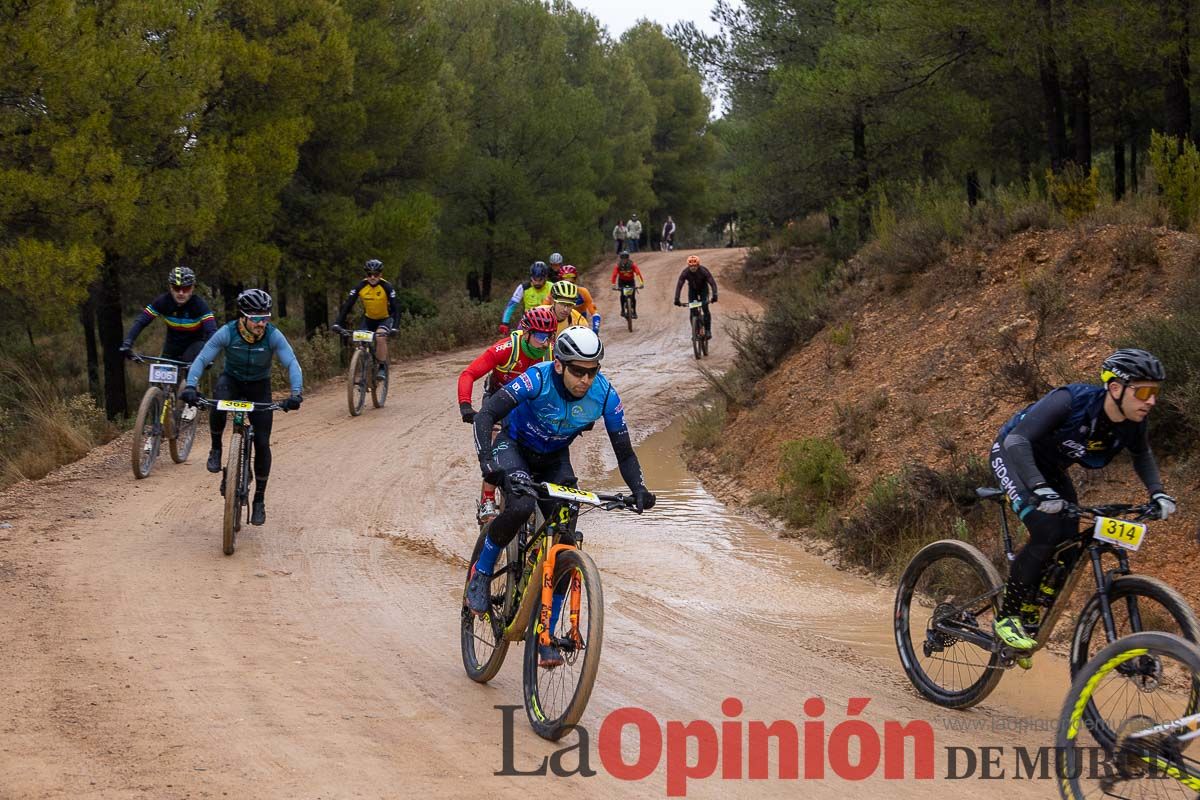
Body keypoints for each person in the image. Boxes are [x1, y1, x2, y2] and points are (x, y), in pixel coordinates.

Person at [465, 327, 656, 666]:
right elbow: (488, 414)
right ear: (559, 365)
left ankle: (547, 632)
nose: (585, 379)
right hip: (515, 447)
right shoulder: (536, 378)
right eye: (578, 371)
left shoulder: (604, 394)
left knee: (566, 536)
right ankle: (481, 573)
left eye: (592, 371)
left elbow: (624, 452)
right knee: (522, 505)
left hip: (554, 459)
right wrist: (487, 463)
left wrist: (638, 488)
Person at [989, 348, 1175, 661]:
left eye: (1155, 393)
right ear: (1115, 388)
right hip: (1013, 454)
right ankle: (1008, 616)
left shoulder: (1132, 422)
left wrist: (1157, 493)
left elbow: (1142, 455)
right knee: (1047, 531)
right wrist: (1039, 490)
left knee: (1071, 535)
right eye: (1143, 391)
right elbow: (1017, 441)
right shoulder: (1070, 401)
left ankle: (1034, 601)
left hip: (1050, 469)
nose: (1151, 401)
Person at [181, 289, 303, 527]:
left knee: (263, 442)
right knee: (217, 401)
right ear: (244, 317)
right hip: (232, 381)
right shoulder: (227, 332)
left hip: (260, 387)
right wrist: (190, 386)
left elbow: (291, 362)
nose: (262, 323)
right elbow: (203, 359)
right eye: (256, 318)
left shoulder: (272, 335)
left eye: (266, 317)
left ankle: (259, 499)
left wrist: (296, 393)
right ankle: (216, 449)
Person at [458, 307, 557, 524]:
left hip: (529, 405)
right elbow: (469, 373)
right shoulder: (507, 348)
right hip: (498, 400)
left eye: (550, 336)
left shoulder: (551, 353)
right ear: (527, 333)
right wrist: (466, 405)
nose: (545, 342)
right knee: (496, 442)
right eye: (541, 336)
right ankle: (487, 500)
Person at [119, 265, 217, 367]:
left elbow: (212, 331)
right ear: (171, 287)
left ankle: (187, 382)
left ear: (192, 288)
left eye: (186, 289)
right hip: (172, 347)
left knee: (188, 374)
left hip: (194, 346)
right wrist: (128, 343)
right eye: (176, 288)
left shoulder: (200, 305)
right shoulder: (163, 302)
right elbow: (141, 321)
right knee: (159, 377)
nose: (181, 293)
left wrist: (210, 355)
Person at [332, 258, 397, 382]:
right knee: (361, 341)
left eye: (376, 274)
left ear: (380, 275)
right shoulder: (360, 286)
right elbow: (347, 305)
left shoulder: (386, 287)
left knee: (380, 338)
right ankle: (364, 370)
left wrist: (395, 327)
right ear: (366, 275)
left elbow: (396, 308)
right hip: (368, 319)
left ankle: (382, 367)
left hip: (385, 319)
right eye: (369, 274)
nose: (372, 277)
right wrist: (337, 323)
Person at [499, 261, 553, 334]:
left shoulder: (552, 287)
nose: (537, 283)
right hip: (528, 320)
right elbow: (511, 306)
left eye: (540, 280)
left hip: (547, 321)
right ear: (531, 277)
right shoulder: (523, 287)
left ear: (545, 278)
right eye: (534, 279)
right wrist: (504, 322)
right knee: (518, 338)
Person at [673, 255, 718, 339]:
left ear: (698, 265)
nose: (693, 268)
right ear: (688, 266)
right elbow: (679, 285)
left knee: (705, 308)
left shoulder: (704, 271)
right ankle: (695, 332)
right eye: (691, 266)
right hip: (692, 290)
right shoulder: (685, 272)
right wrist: (677, 299)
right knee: (693, 311)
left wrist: (715, 295)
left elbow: (712, 283)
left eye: (695, 266)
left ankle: (708, 331)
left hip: (703, 290)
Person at [555, 265, 600, 332]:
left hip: (580, 325)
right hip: (560, 325)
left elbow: (595, 313)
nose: (569, 286)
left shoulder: (583, 292)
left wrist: (595, 330)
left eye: (571, 283)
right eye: (566, 283)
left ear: (575, 280)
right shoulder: (555, 292)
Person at [610, 250, 645, 319]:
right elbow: (614, 275)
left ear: (628, 258)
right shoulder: (618, 265)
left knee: (633, 296)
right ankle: (622, 310)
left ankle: (634, 312)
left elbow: (638, 273)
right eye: (623, 259)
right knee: (622, 295)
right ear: (621, 259)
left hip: (631, 281)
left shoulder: (632, 265)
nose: (624, 260)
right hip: (622, 281)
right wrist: (613, 284)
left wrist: (641, 283)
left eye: (626, 258)